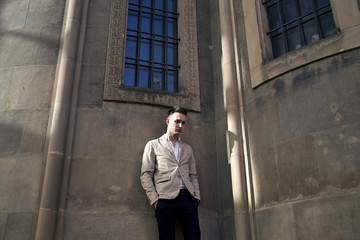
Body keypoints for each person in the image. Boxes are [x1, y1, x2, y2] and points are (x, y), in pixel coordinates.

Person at [140, 106, 201, 240]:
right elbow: (145, 174)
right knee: (166, 237)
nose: (180, 125)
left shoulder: (187, 148)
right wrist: (155, 200)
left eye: (183, 123)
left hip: (188, 198)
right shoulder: (153, 145)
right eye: (177, 121)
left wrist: (196, 197)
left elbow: (192, 175)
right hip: (165, 199)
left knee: (194, 236)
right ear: (168, 121)